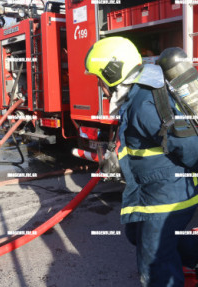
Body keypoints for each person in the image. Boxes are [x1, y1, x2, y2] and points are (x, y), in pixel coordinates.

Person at [84, 36, 198, 286]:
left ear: (112, 73)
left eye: (99, 79)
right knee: (135, 232)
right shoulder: (138, 95)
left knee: (155, 264)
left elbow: (190, 148)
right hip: (154, 191)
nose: (99, 86)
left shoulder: (142, 103)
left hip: (167, 198)